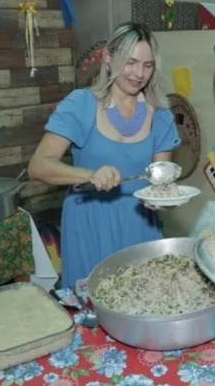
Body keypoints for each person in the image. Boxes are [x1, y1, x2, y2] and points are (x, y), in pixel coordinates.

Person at [28, 22, 181, 288]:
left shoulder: (161, 116)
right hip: (88, 224)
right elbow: (38, 166)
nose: (138, 74)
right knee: (92, 310)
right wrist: (90, 174)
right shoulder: (80, 104)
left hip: (139, 223)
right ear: (109, 59)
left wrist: (165, 200)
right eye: (130, 62)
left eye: (148, 65)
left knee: (143, 302)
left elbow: (161, 180)